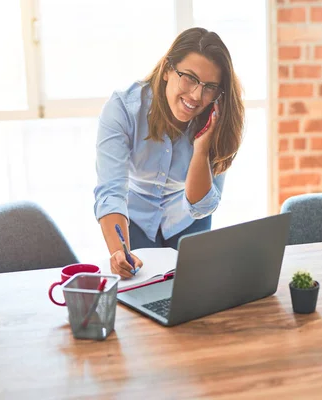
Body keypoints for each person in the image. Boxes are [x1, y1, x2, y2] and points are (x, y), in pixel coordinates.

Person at [94, 27, 245, 279]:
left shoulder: (219, 119)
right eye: (189, 78)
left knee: (195, 292)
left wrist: (202, 147)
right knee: (143, 292)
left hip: (187, 218)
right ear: (166, 69)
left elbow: (202, 206)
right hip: (136, 219)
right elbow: (111, 192)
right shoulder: (123, 110)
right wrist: (118, 252)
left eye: (209, 87)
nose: (197, 95)